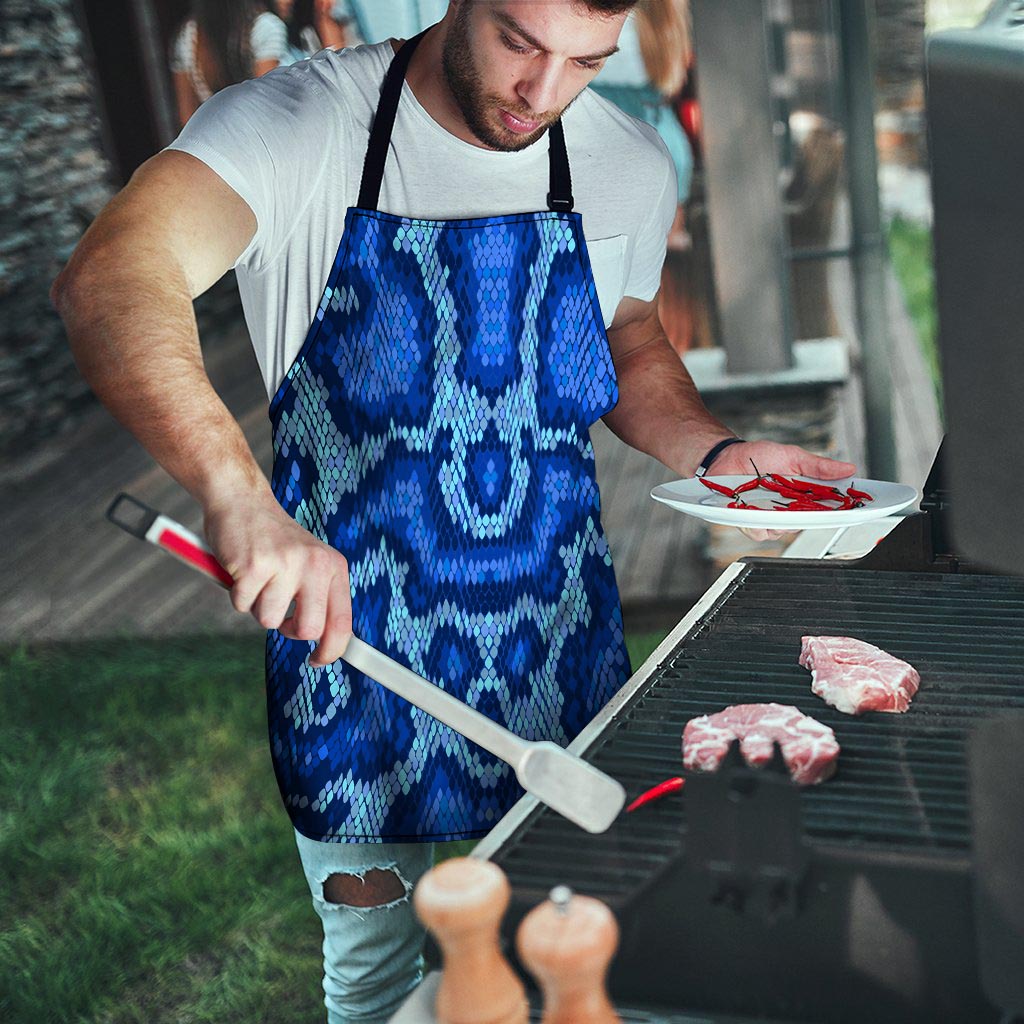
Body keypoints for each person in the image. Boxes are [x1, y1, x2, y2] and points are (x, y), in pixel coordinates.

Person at [52, 2, 856, 1020]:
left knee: (583, 949)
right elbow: (112, 275)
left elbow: (629, 335)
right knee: (382, 979)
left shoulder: (624, 160)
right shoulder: (299, 125)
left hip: (558, 642)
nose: (543, 93)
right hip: (353, 659)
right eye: (521, 42)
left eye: (585, 62)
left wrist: (717, 450)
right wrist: (237, 497)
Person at [170, 0, 289, 127]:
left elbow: (187, 117)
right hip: (264, 136)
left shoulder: (187, 36)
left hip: (215, 138)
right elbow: (266, 104)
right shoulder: (265, 27)